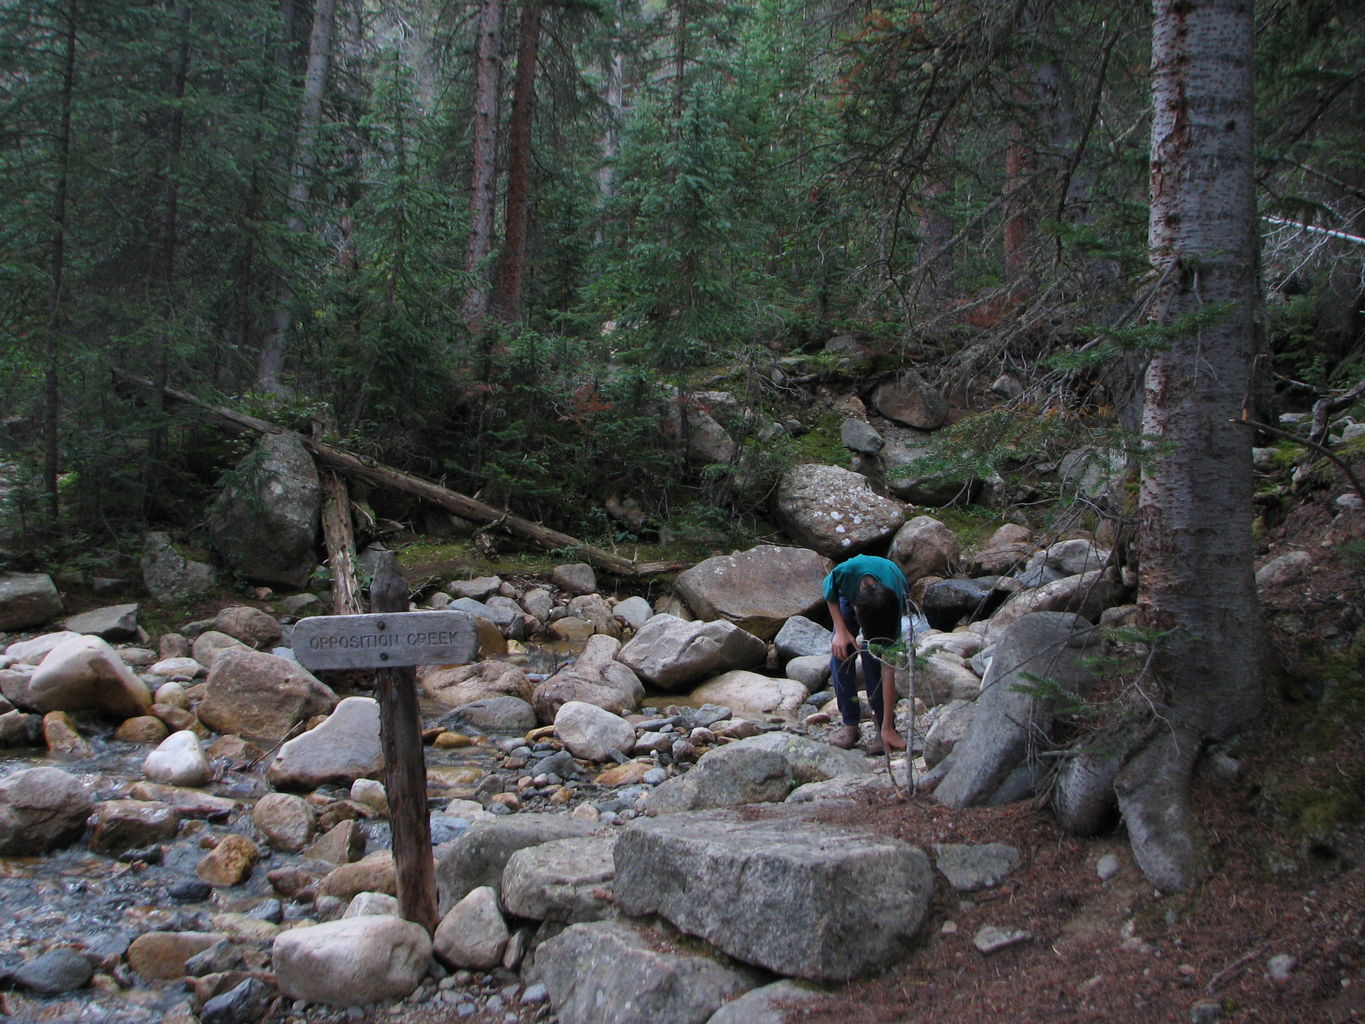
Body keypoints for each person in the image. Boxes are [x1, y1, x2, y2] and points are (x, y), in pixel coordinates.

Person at [823, 554, 910, 755]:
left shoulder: (893, 600)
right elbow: (829, 591)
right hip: (848, 593)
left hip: (884, 600)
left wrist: (887, 725)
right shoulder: (846, 571)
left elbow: (888, 667)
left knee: (874, 657)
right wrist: (841, 630)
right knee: (841, 651)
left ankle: (883, 728)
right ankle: (850, 723)